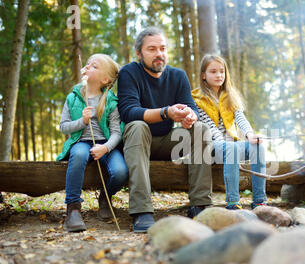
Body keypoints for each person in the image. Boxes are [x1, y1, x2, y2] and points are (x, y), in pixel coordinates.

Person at [117, 27, 213, 233]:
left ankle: (200, 206)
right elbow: (128, 112)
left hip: (169, 142)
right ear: (139, 53)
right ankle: (141, 211)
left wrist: (190, 116)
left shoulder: (178, 76)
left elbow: (192, 107)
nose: (159, 54)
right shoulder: (129, 73)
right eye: (152, 49)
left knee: (201, 129)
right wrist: (165, 112)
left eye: (162, 48)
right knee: (137, 125)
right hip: (138, 144)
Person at [57, 54, 129, 232]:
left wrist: (105, 148)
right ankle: (73, 208)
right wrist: (82, 121)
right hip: (81, 141)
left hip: (105, 144)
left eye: (94, 66)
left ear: (106, 79)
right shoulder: (73, 97)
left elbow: (116, 133)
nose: (88, 67)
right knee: (79, 154)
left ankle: (105, 196)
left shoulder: (111, 101)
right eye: (87, 64)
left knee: (120, 171)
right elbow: (63, 127)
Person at [192, 54, 267, 210]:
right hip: (211, 146)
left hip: (230, 145)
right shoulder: (196, 98)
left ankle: (259, 200)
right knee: (232, 148)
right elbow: (209, 126)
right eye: (213, 71)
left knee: (258, 147)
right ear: (203, 75)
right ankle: (233, 202)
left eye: (222, 71)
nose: (219, 75)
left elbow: (240, 119)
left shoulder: (230, 96)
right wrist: (225, 144)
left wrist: (250, 135)